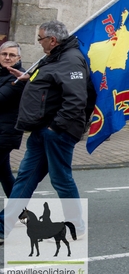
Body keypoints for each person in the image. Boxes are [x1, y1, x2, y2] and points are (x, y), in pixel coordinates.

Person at [0, 20, 95, 240]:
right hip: (42, 129)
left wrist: (55, 127)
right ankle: (3, 226)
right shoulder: (55, 57)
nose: (39, 42)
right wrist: (28, 78)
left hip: (57, 132)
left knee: (61, 180)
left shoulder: (71, 59)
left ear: (52, 40)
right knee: (25, 178)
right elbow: (50, 84)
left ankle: (77, 226)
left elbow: (76, 100)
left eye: (41, 38)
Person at [0, 41, 25, 197]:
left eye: (12, 55)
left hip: (5, 135)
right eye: (4, 54)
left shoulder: (19, 77)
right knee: (5, 174)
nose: (7, 58)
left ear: (18, 58)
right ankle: (22, 212)